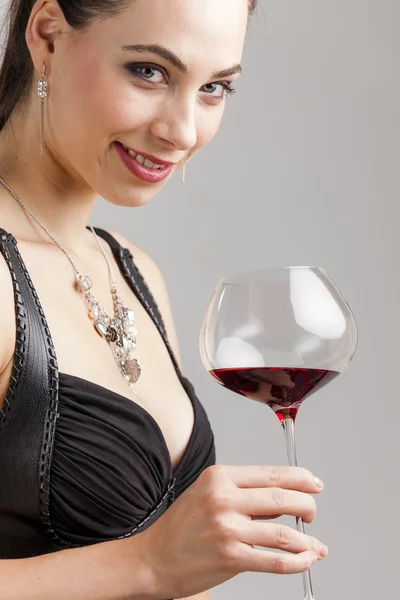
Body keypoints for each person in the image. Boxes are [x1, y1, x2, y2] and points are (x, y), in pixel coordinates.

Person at [0, 0, 329, 598]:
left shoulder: (134, 272)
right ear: (47, 36)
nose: (182, 130)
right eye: (150, 71)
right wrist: (146, 564)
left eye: (215, 87)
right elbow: (154, 567)